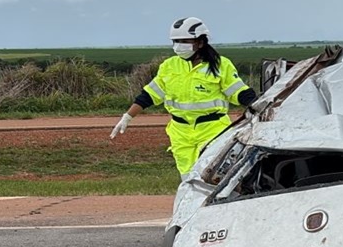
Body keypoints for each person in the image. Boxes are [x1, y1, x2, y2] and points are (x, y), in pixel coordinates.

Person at [110, 16, 257, 177]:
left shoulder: (220, 65)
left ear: (200, 42)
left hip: (213, 130)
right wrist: (127, 117)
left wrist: (259, 108)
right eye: (176, 41)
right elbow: (149, 95)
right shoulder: (169, 66)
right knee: (187, 179)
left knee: (211, 176)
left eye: (184, 41)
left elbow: (240, 92)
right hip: (180, 134)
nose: (179, 45)